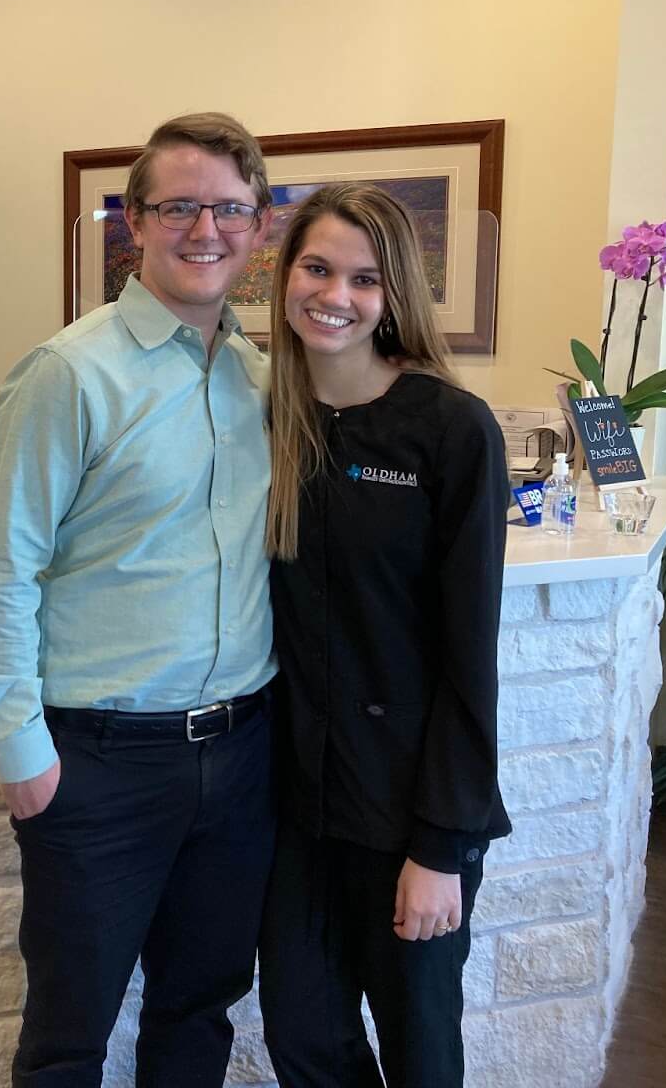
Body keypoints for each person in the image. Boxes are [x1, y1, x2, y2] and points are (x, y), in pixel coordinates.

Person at [0, 112, 281, 1087]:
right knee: (69, 1036)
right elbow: (1, 571)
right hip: (99, 763)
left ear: (258, 228)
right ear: (133, 221)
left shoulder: (259, 376)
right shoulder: (67, 374)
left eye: (228, 208)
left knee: (197, 1009)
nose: (204, 229)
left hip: (241, 757)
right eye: (178, 205)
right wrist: (22, 751)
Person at [255, 182, 512, 1087]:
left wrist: (441, 848)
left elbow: (468, 658)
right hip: (292, 814)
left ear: (394, 293)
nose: (336, 295)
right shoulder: (265, 418)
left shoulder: (449, 430)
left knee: (420, 1051)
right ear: (284, 275)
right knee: (303, 1041)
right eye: (318, 268)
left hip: (411, 813)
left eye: (364, 278)